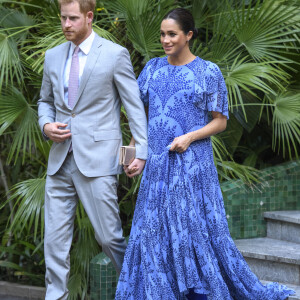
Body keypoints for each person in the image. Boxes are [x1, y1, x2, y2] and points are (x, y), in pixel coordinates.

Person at [115, 7, 295, 300]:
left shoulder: (208, 72)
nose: (165, 40)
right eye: (162, 34)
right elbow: (140, 118)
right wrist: (133, 153)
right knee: (152, 230)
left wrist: (189, 136)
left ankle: (199, 290)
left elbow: (220, 121)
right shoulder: (152, 69)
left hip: (192, 165)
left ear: (188, 35)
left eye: (172, 34)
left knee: (194, 230)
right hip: (158, 166)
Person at [37, 0, 148, 298]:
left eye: (73, 18)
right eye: (63, 18)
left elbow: (133, 107)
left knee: (109, 238)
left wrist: (139, 152)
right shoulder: (52, 56)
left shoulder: (114, 55)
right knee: (54, 242)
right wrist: (46, 125)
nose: (66, 25)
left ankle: (137, 289)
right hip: (60, 162)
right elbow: (45, 102)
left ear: (89, 17)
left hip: (99, 160)